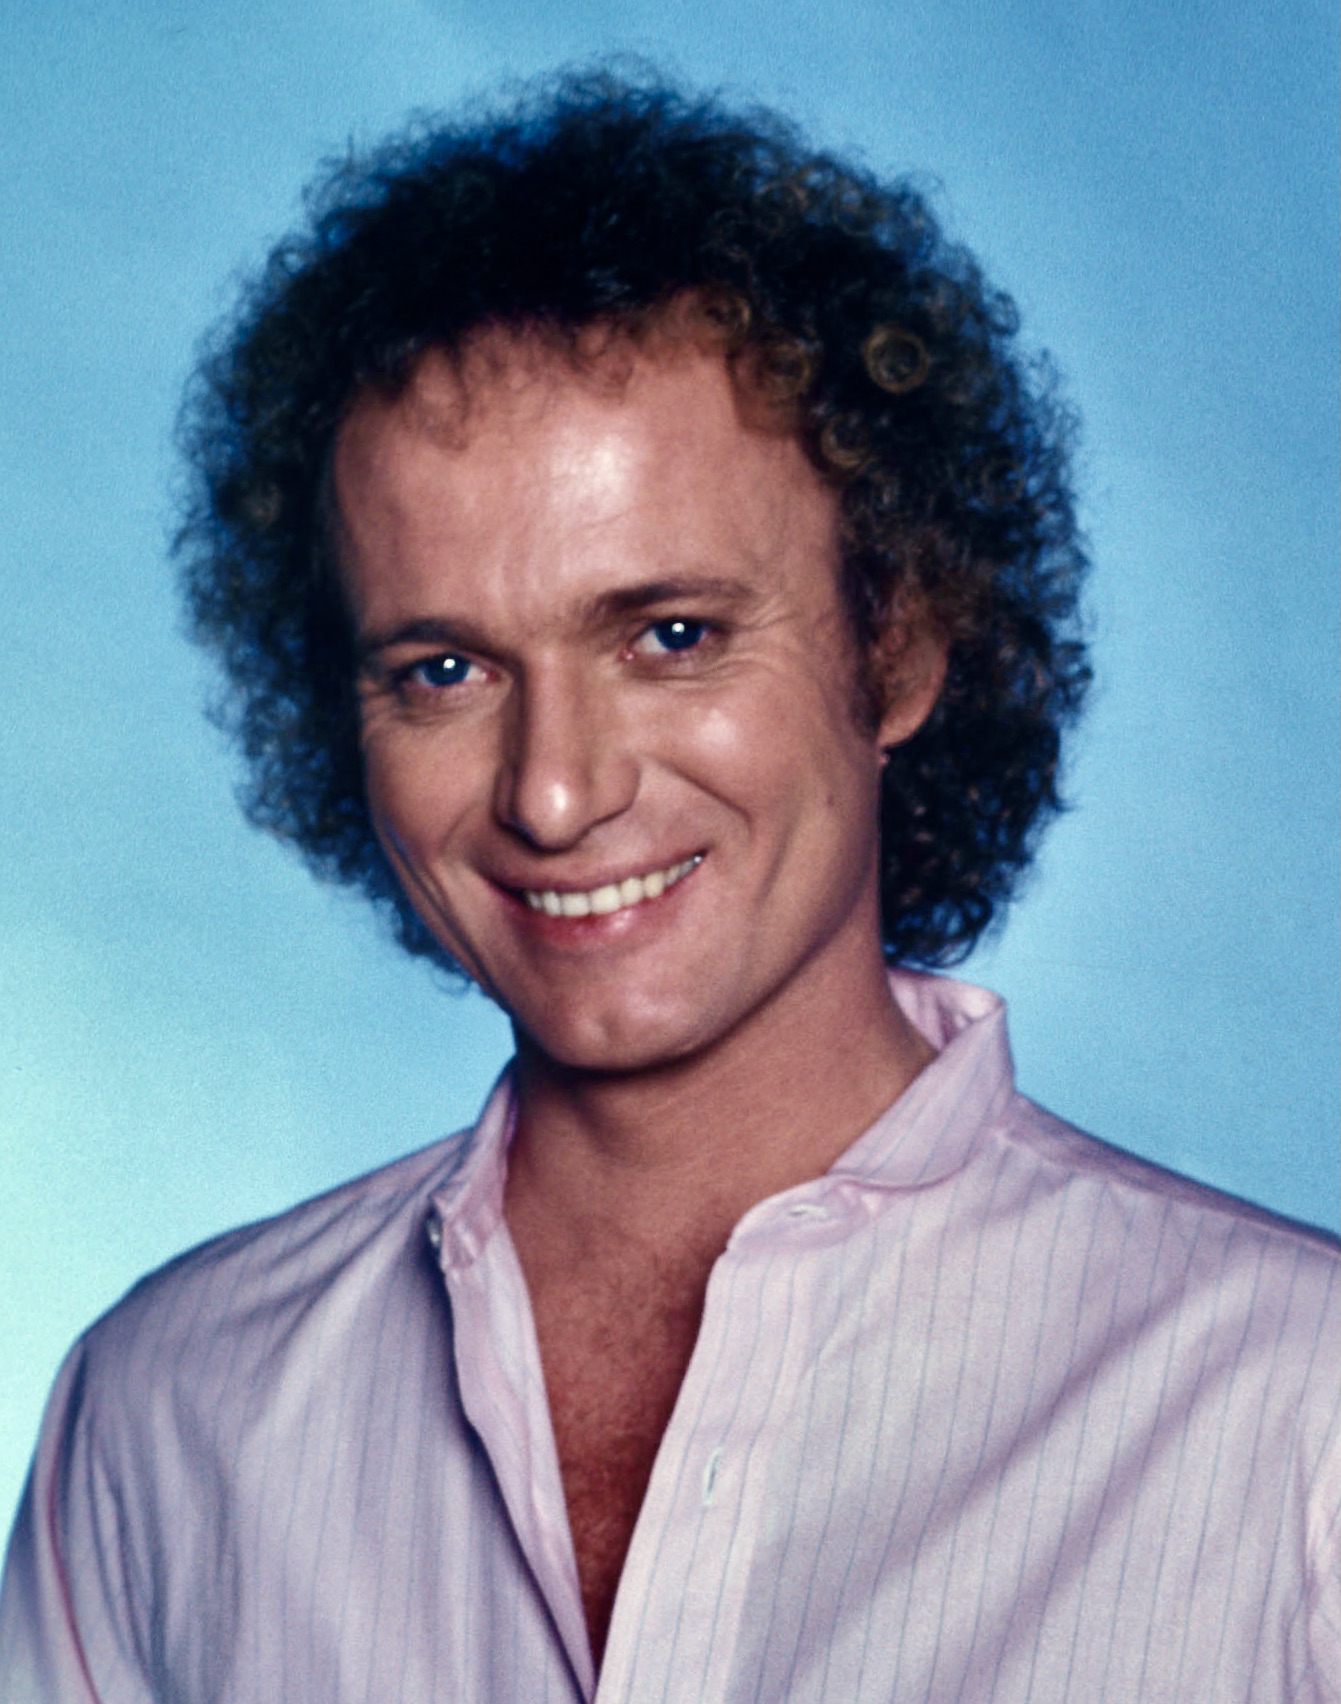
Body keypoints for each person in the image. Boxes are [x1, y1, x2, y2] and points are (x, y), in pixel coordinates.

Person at [1, 70, 1336, 1704]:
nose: (555, 792)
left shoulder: (1299, 1423)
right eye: (441, 671)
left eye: (671, 636)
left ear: (898, 647)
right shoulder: (166, 1415)